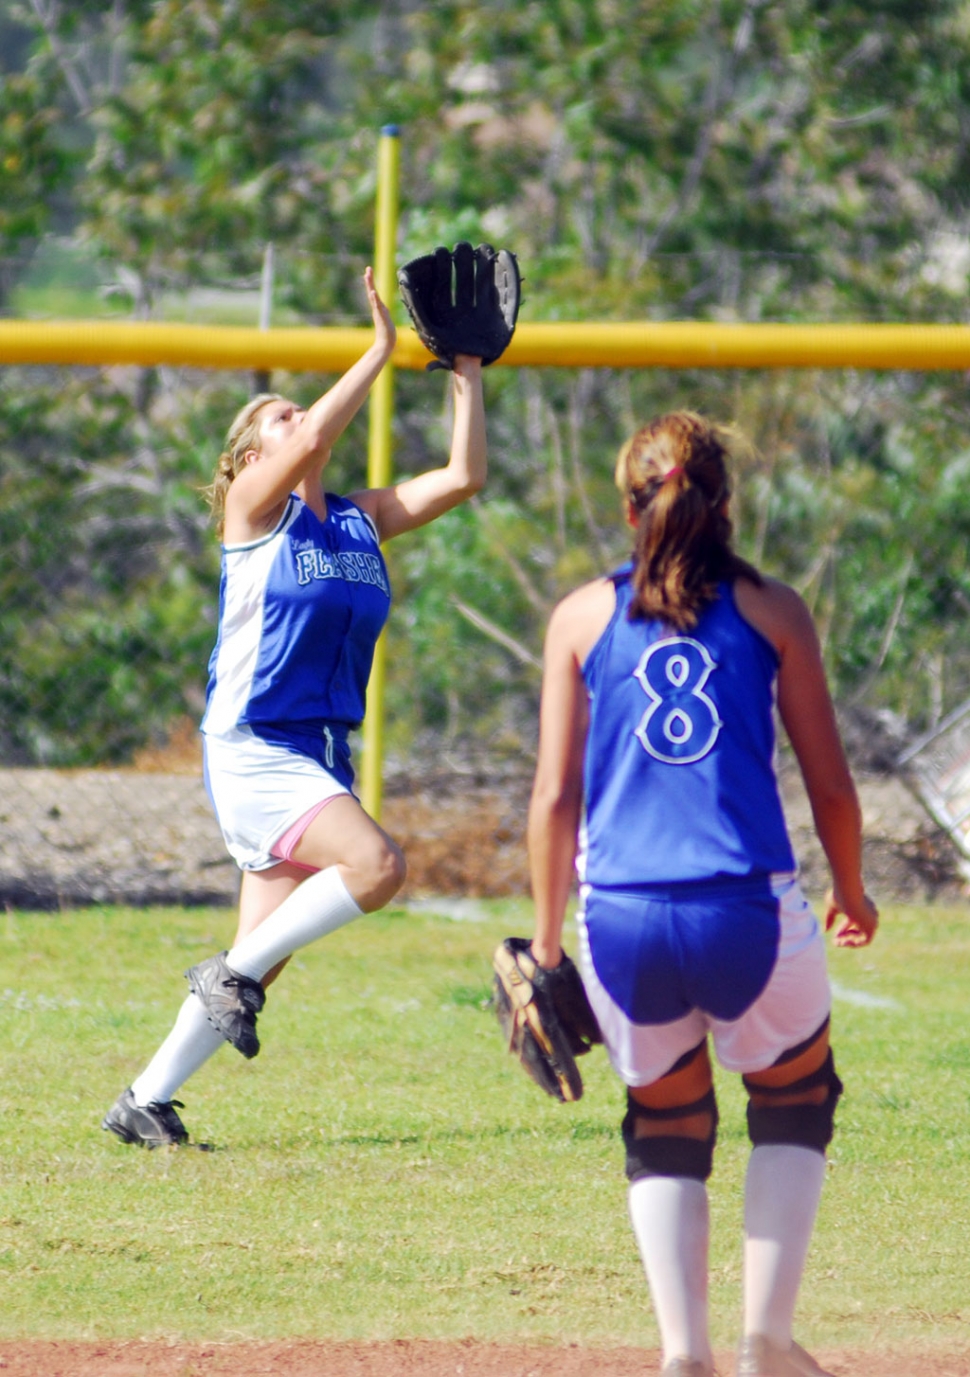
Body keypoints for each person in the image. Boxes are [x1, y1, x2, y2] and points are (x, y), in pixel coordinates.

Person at [525, 412, 878, 1377]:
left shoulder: (579, 617)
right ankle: (766, 1338)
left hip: (622, 917)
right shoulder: (773, 610)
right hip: (747, 909)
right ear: (727, 505)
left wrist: (550, 943)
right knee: (794, 1098)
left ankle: (686, 1353)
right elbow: (833, 786)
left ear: (625, 505)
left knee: (668, 1122)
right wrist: (851, 889)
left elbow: (554, 799)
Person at [102, 266, 487, 1148]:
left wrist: (464, 367)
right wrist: (382, 348)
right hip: (253, 743)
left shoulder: (356, 520)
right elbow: (314, 435)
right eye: (275, 419)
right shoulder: (251, 510)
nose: (296, 420)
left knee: (260, 963)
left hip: (315, 750)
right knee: (378, 867)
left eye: (291, 413)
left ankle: (145, 1101)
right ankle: (222, 976)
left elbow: (464, 476)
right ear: (247, 460)